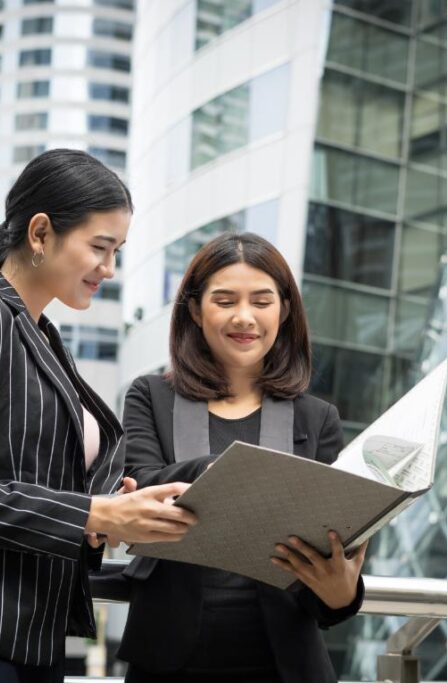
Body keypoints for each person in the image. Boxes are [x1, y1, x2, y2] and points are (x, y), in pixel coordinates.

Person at [0, 149, 197, 682]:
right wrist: (94, 515)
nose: (109, 269)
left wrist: (113, 508)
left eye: (117, 251)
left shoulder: (43, 337)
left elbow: (36, 479)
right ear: (41, 233)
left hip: (32, 636)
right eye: (100, 247)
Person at [116, 233, 368, 683]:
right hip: (169, 661)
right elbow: (143, 488)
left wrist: (342, 593)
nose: (244, 317)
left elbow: (329, 555)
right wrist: (220, 473)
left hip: (284, 665)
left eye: (262, 301)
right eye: (225, 300)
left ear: (285, 310)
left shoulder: (318, 418)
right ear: (195, 310)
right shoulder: (151, 396)